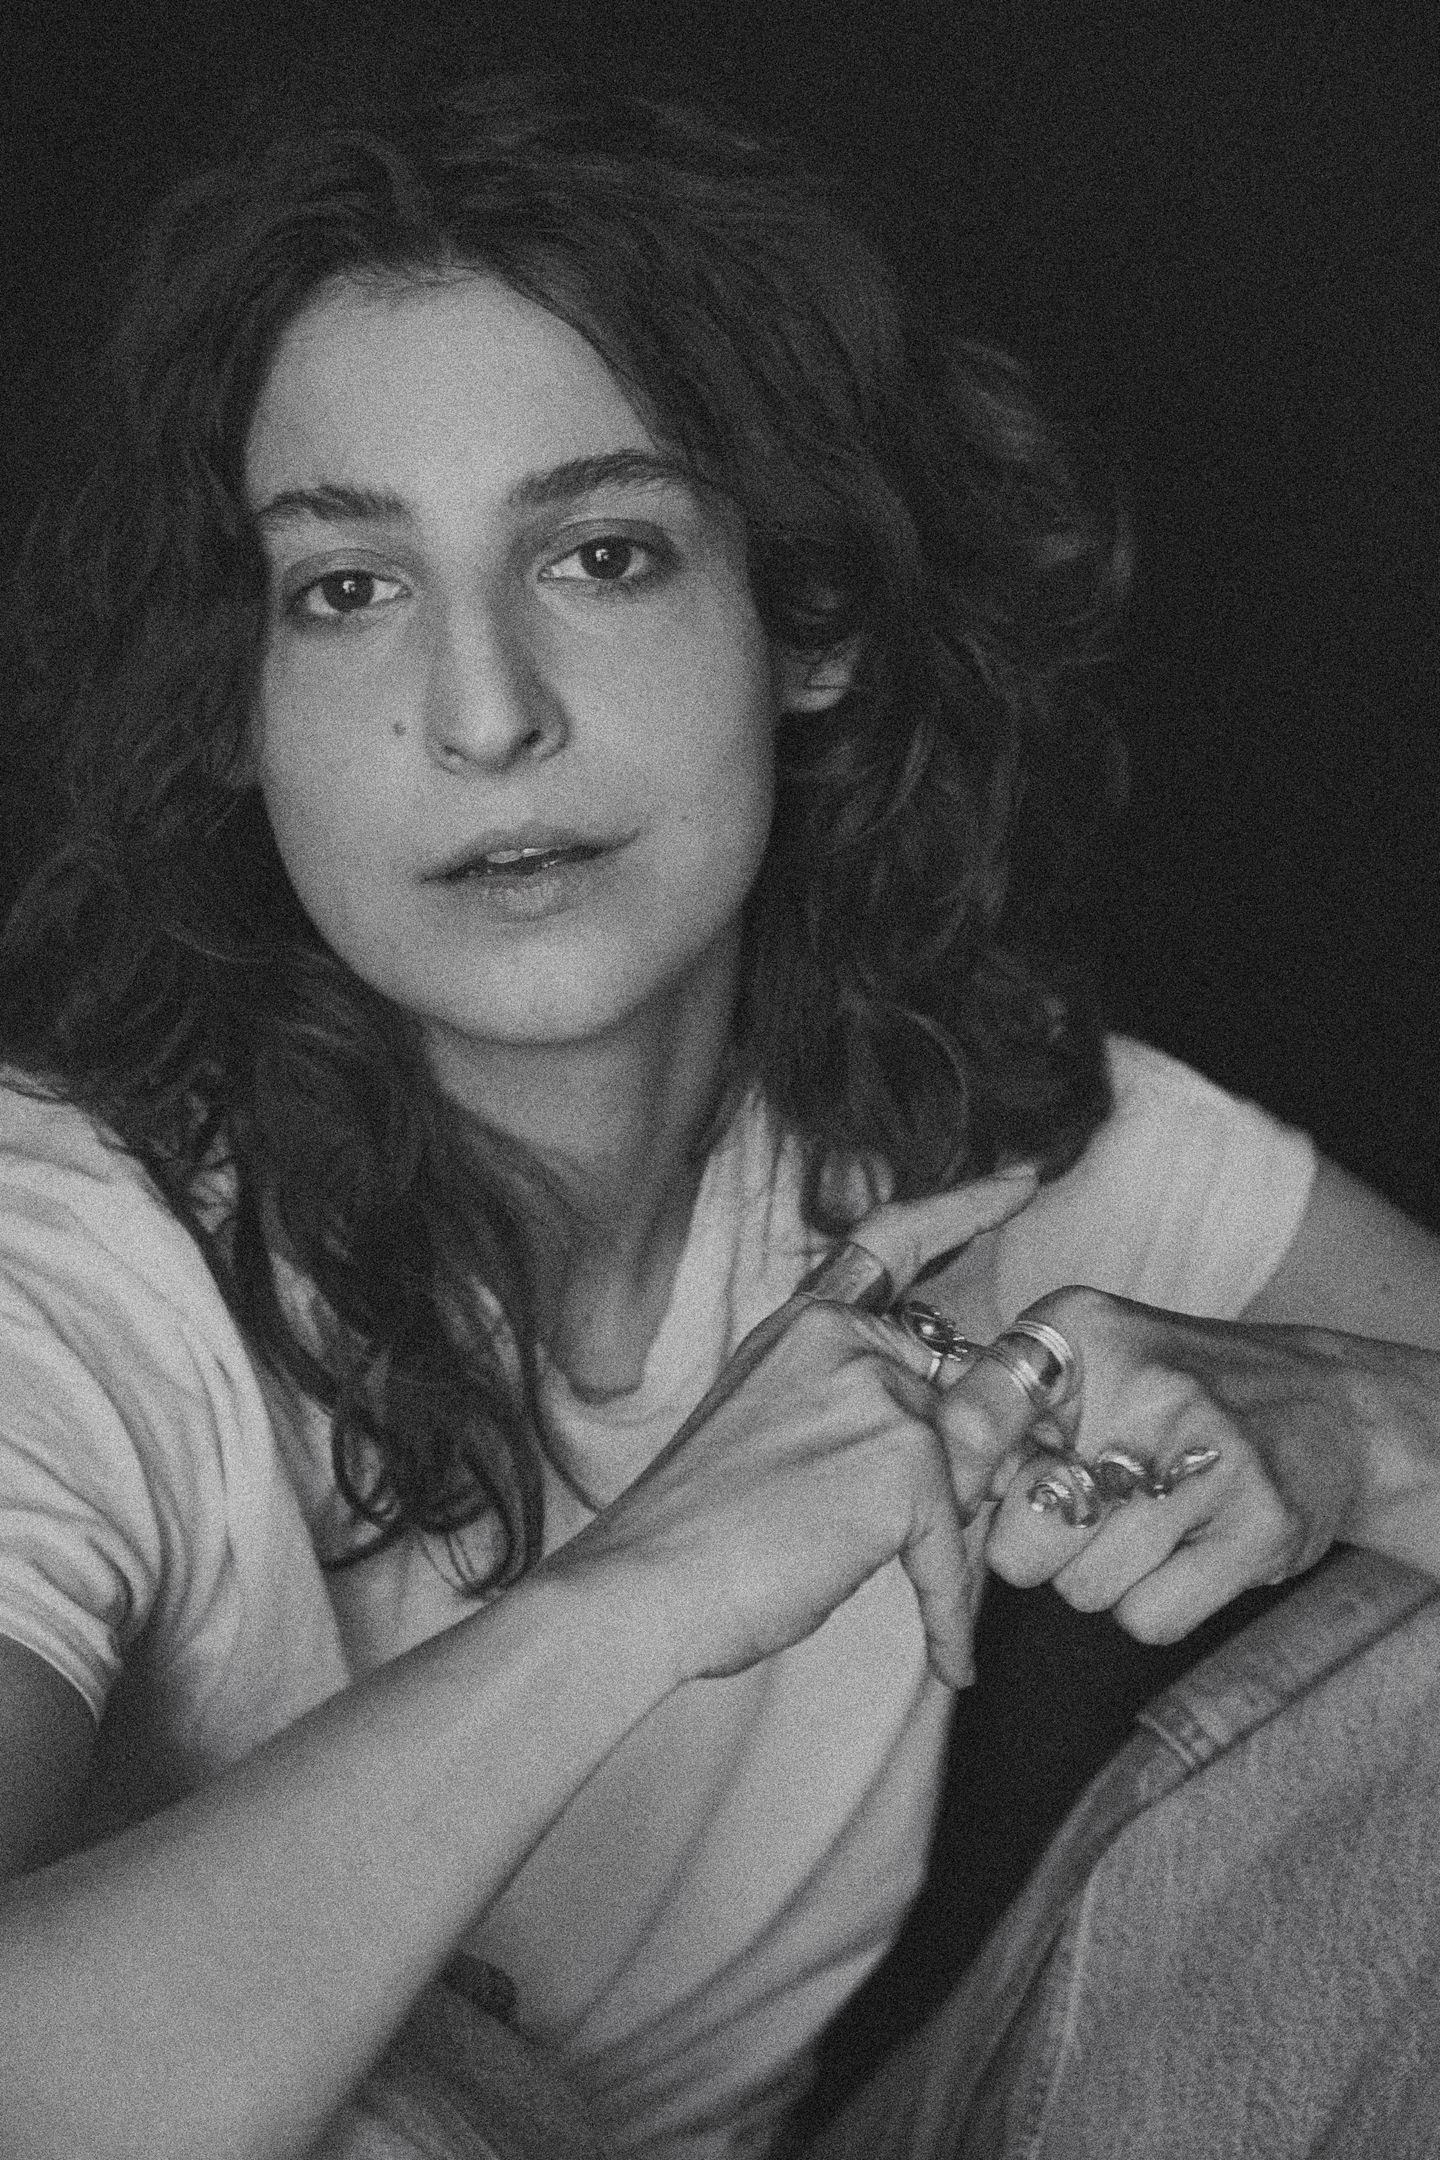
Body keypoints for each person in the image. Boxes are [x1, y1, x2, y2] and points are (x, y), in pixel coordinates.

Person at [1, 68, 1439, 2160]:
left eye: (601, 555)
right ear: (240, 702)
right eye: (346, 590)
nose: (485, 716)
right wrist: (643, 1591)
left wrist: (1369, 1428)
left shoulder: (980, 1150)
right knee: (374, 2106)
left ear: (810, 623)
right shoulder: (64, 1264)